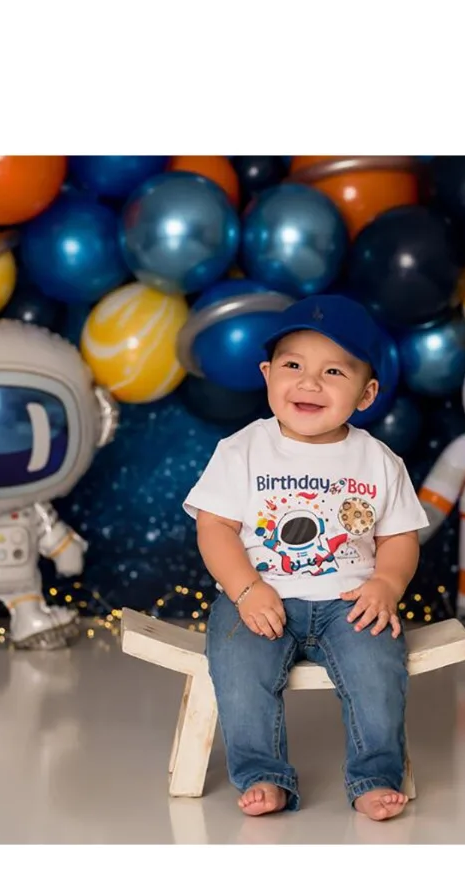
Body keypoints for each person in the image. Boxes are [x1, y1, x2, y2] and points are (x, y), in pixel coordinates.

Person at [182, 294, 428, 821]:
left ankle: (374, 777)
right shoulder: (242, 450)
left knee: (378, 670)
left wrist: (386, 583)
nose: (310, 383)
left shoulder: (378, 460)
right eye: (293, 365)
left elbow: (400, 537)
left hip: (350, 602)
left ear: (367, 393)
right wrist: (246, 588)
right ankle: (263, 774)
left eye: (333, 371)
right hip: (258, 598)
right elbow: (215, 528)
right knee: (240, 667)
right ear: (267, 375)